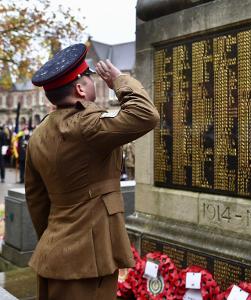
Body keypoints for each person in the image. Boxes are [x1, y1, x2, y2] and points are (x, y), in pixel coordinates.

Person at [26, 43, 159, 300]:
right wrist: (119, 80)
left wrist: (56, 242)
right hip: (87, 261)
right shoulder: (87, 123)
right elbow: (146, 115)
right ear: (80, 88)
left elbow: (36, 200)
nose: (95, 83)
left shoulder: (38, 134)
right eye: (90, 79)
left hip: (53, 254)